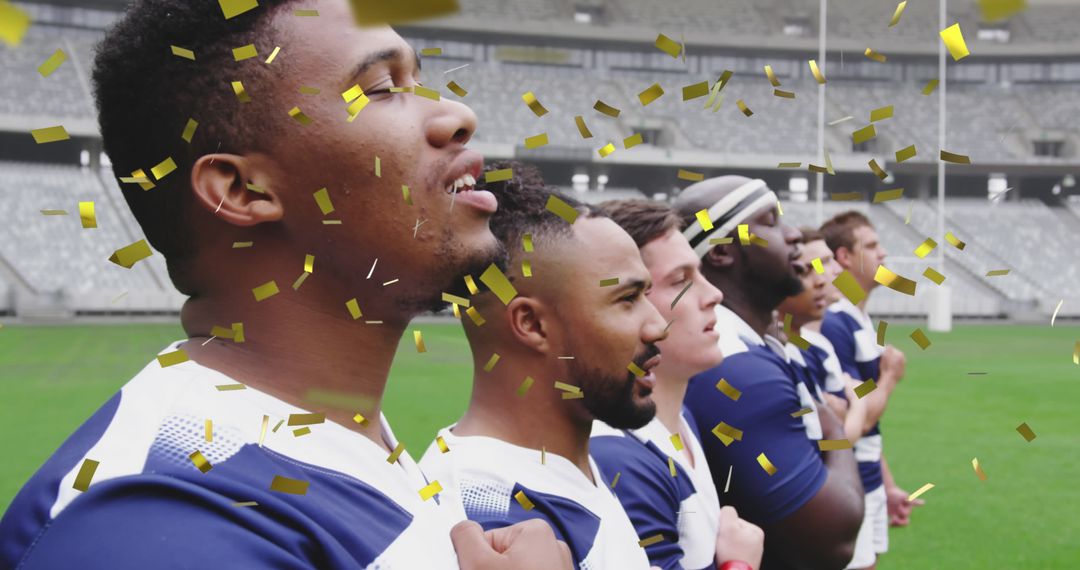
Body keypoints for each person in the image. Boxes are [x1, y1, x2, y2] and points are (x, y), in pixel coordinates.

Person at [0, 1, 571, 568]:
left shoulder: (334, 444)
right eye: (380, 87)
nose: (458, 114)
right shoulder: (154, 525)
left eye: (419, 80)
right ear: (242, 190)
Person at [420, 164, 666, 568]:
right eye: (627, 299)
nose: (659, 325)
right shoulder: (493, 528)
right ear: (531, 325)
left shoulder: (562, 470)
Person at [674, 176, 864, 570]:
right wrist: (834, 428)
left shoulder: (749, 343)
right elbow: (832, 540)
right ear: (724, 251)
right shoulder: (734, 366)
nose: (794, 234)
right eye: (770, 221)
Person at [590, 199, 765, 570]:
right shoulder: (619, 458)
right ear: (625, 300)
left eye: (700, 274)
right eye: (681, 280)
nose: (714, 294)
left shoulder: (680, 417)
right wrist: (738, 564)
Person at [818, 212, 919, 570]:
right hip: (850, 482)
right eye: (872, 246)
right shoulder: (834, 323)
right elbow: (854, 419)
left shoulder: (859, 320)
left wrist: (888, 485)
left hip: (868, 479)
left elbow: (868, 430)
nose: (884, 254)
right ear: (844, 257)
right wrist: (890, 378)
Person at [776, 229, 866, 447]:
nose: (835, 270)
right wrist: (862, 400)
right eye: (817, 265)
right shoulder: (833, 329)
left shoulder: (819, 343)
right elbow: (833, 440)